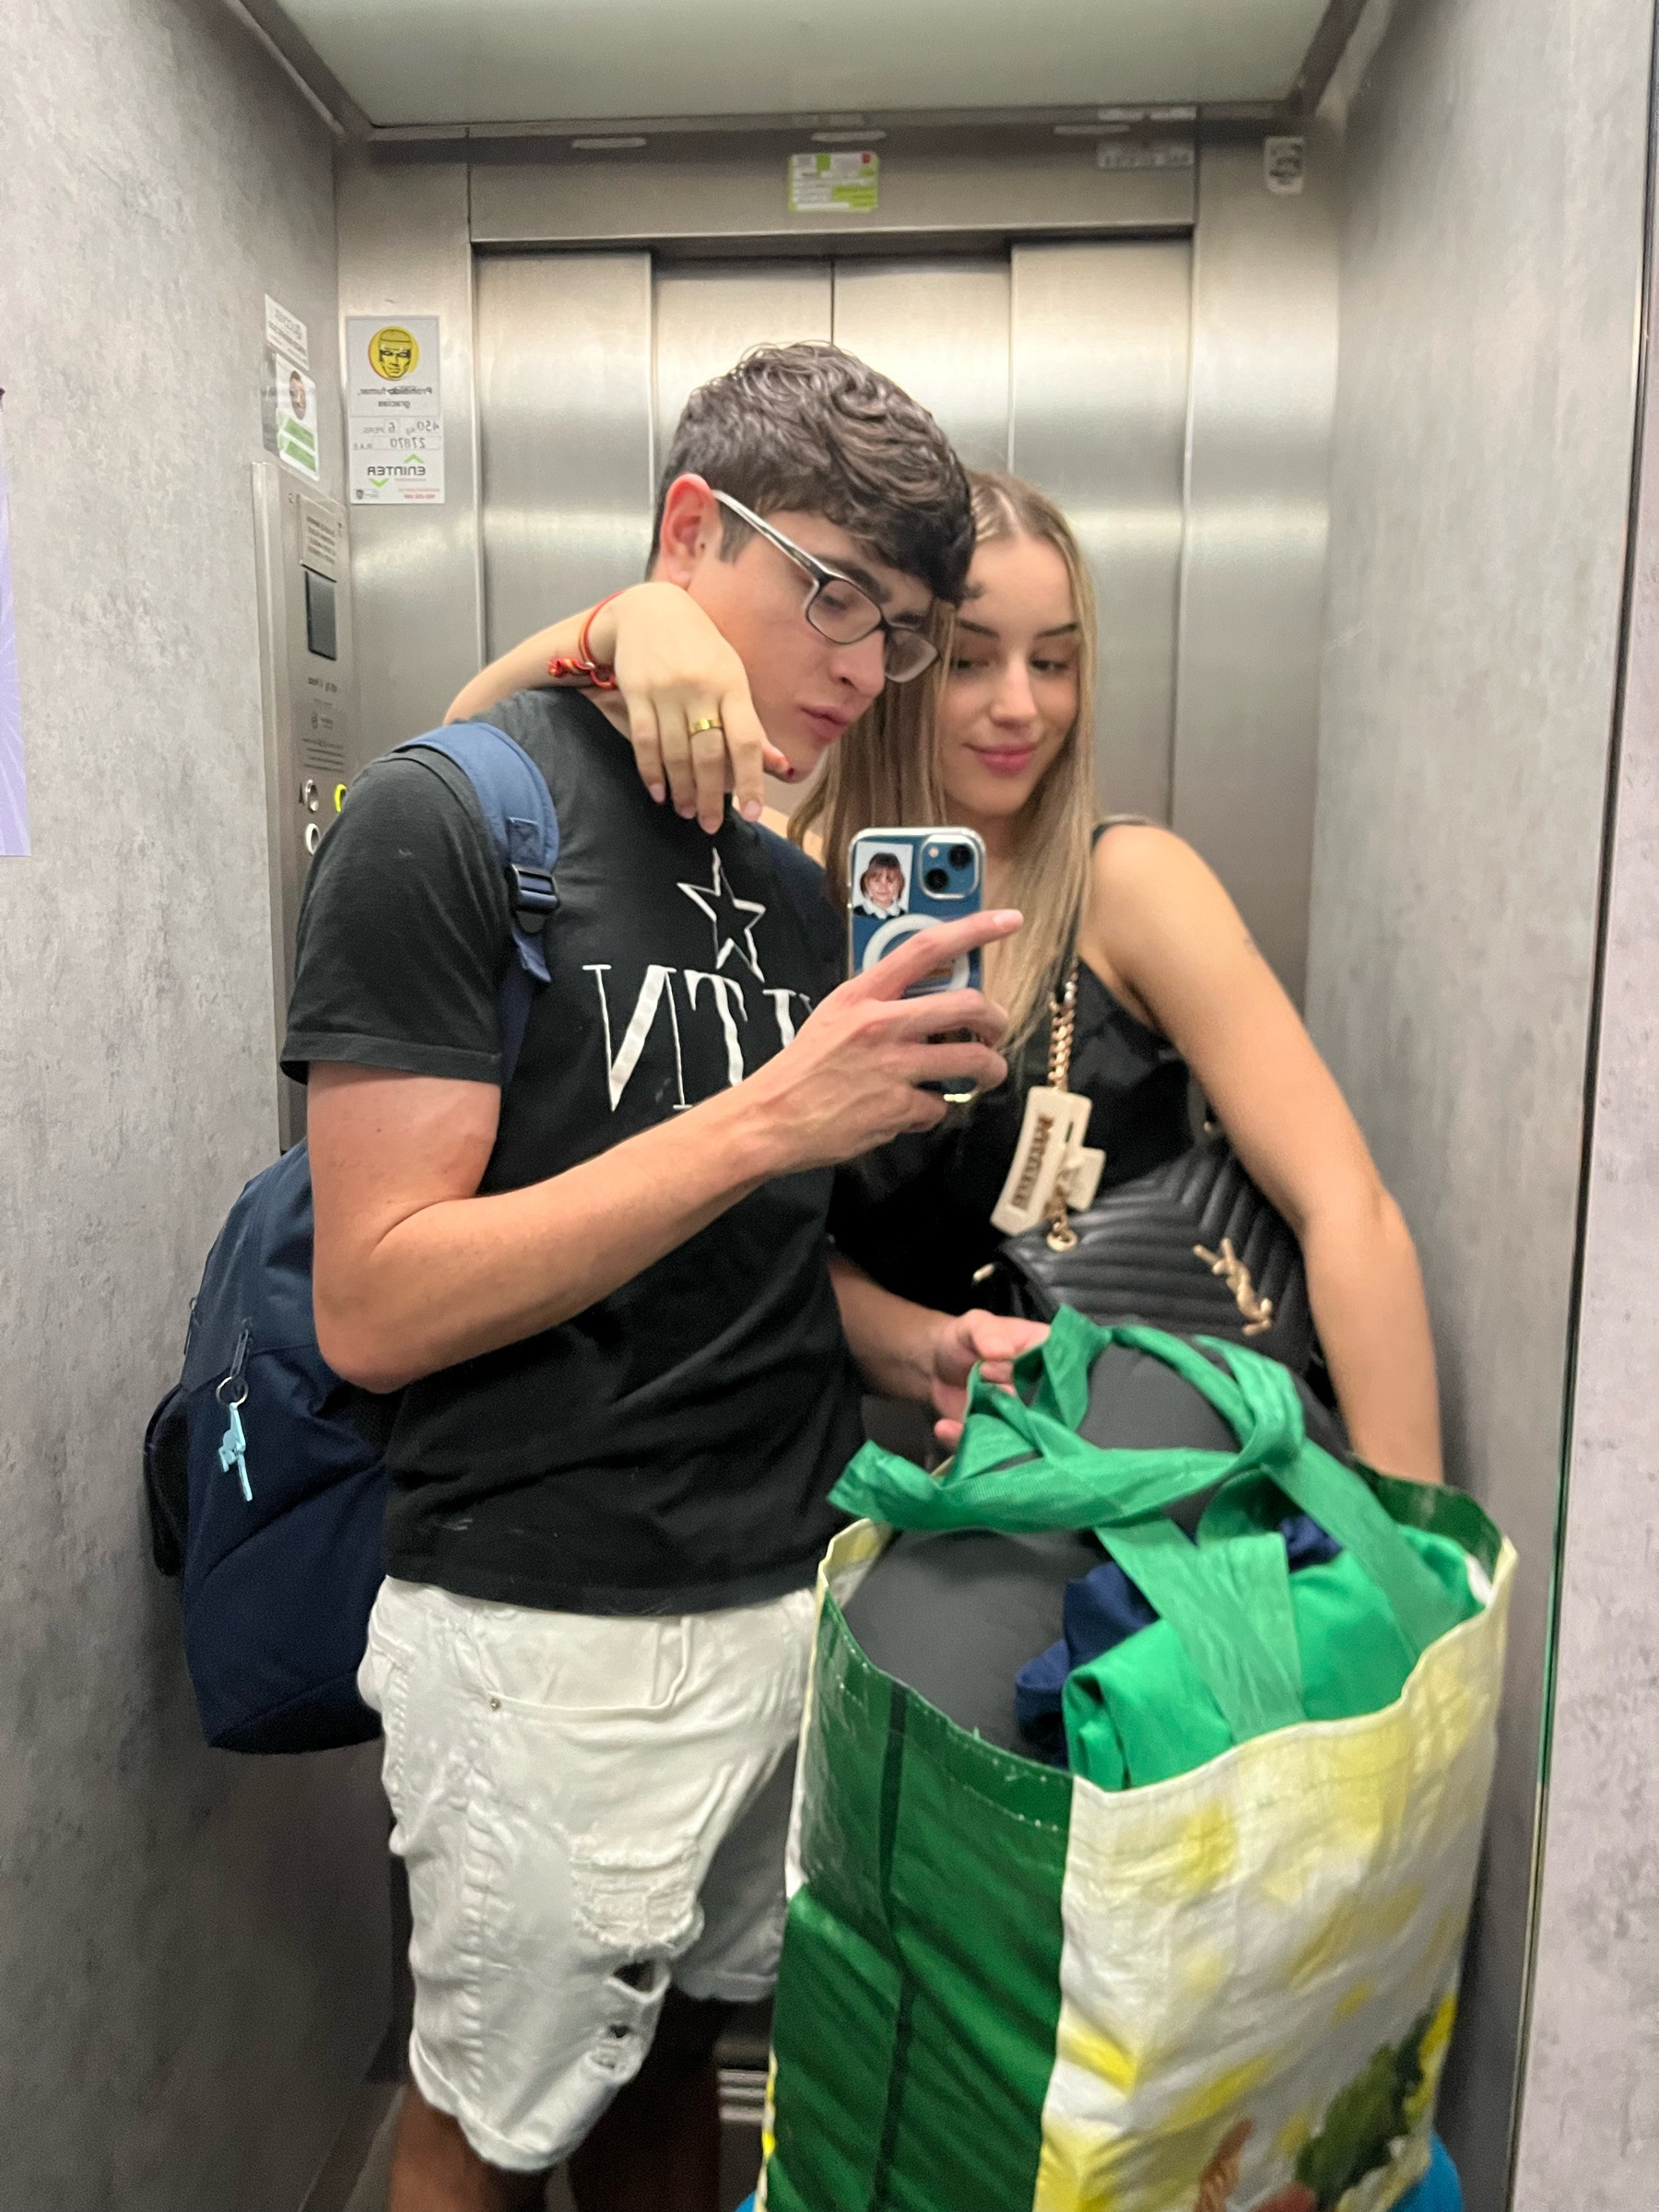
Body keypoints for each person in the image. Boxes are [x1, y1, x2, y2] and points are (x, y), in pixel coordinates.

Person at [285, 346, 1047, 2212]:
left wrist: (921, 1345)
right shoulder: (450, 819)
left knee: (682, 2064)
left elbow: (752, 1266)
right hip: (548, 1621)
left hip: (784, 1587)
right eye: (836, 594)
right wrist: (774, 1116)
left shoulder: (788, 897)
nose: (865, 668)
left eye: (904, 631)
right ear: (691, 530)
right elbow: (373, 1301)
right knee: (486, 2121)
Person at [453, 470, 1443, 1485]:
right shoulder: (781, 886)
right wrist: (631, 622)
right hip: (939, 1495)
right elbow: (470, 743)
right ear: (891, 662)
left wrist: (1412, 1539)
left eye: (1053, 662)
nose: (1020, 706)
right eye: (969, 661)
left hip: (1192, 1463)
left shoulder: (1127, 884)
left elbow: (1347, 1209)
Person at [852, 848, 907, 918]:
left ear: (899, 883)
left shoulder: (905, 917)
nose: (883, 887)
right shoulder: (855, 913)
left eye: (890, 881)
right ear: (867, 883)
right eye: (877, 881)